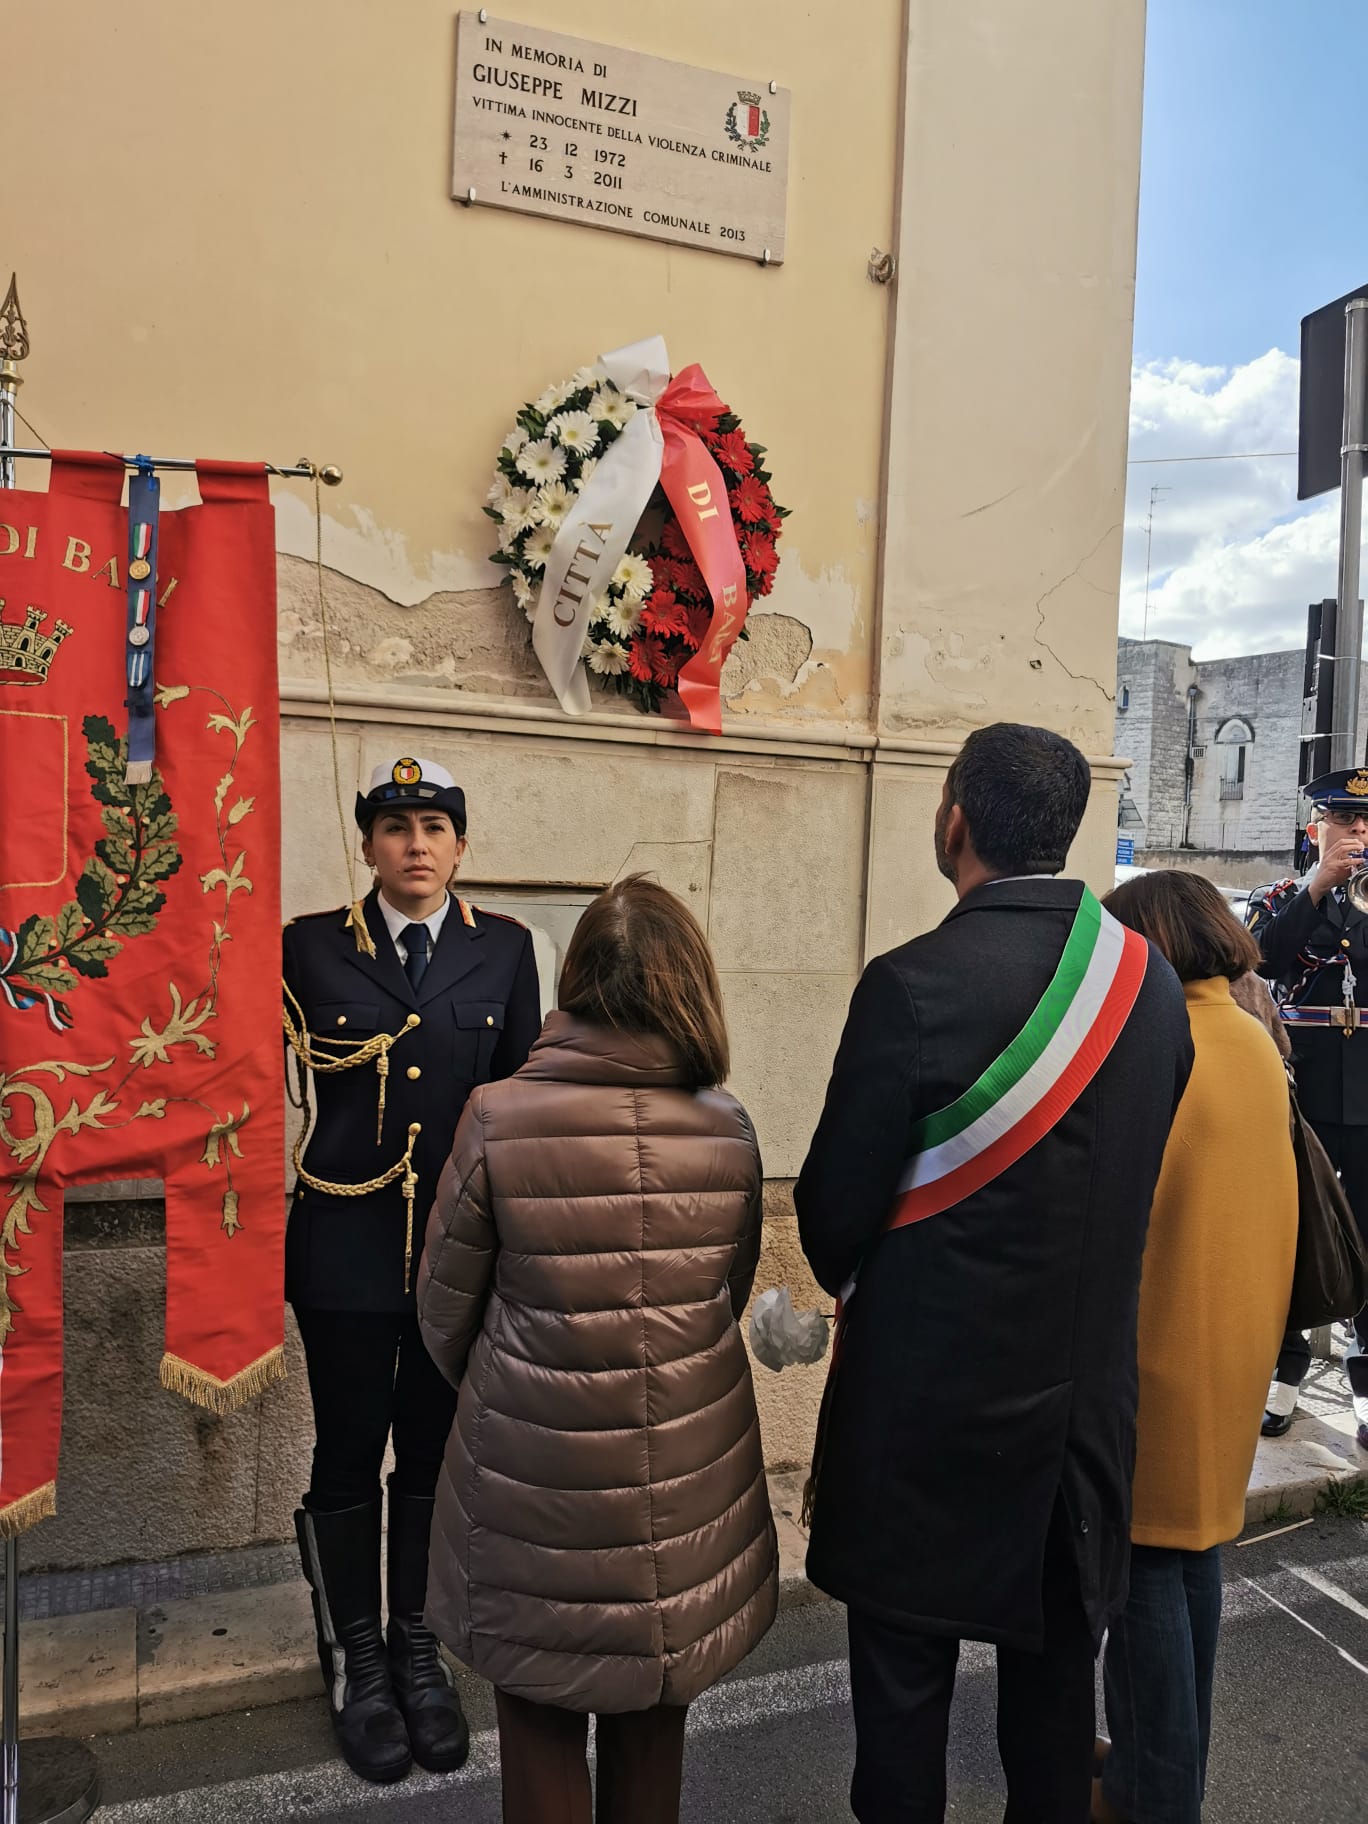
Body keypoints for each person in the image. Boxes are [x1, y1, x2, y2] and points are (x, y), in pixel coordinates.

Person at [796, 722, 1193, 1824]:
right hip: (1077, 1441)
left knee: (903, 1730)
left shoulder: (909, 985)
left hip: (920, 1438)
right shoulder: (1152, 989)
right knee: (1057, 1736)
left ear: (956, 818)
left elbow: (832, 1222)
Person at [417, 875, 777, 1824]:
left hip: (532, 1483)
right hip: (689, 1488)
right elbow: (722, 1299)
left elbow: (443, 1311)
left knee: (536, 1723)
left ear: (572, 980)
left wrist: (517, 1387)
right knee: (655, 1723)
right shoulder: (728, 1128)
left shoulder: (496, 1116)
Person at [282, 756, 541, 1784]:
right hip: (342, 1254)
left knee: (431, 1456)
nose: (416, 843)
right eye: (395, 826)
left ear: (462, 844)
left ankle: (417, 1646)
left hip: (454, 1258)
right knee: (348, 1452)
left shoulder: (507, 951)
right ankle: (358, 1657)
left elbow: (519, 1109)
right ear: (367, 845)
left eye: (435, 825)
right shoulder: (306, 948)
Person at [1097, 871, 1297, 1824]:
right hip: (1235, 1339)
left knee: (1143, 1580)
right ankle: (1167, 1776)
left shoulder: (1164, 1047)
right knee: (1195, 1562)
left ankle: (1152, 1798)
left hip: (1161, 1350)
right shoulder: (1251, 1042)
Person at [1250, 768, 1368, 1449]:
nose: (1357, 831)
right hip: (1305, 1096)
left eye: (1366, 822)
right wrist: (1317, 890)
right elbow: (1257, 962)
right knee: (1291, 1236)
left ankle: (1364, 1387)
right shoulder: (1280, 898)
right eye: (1343, 820)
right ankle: (1285, 1377)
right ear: (1316, 828)